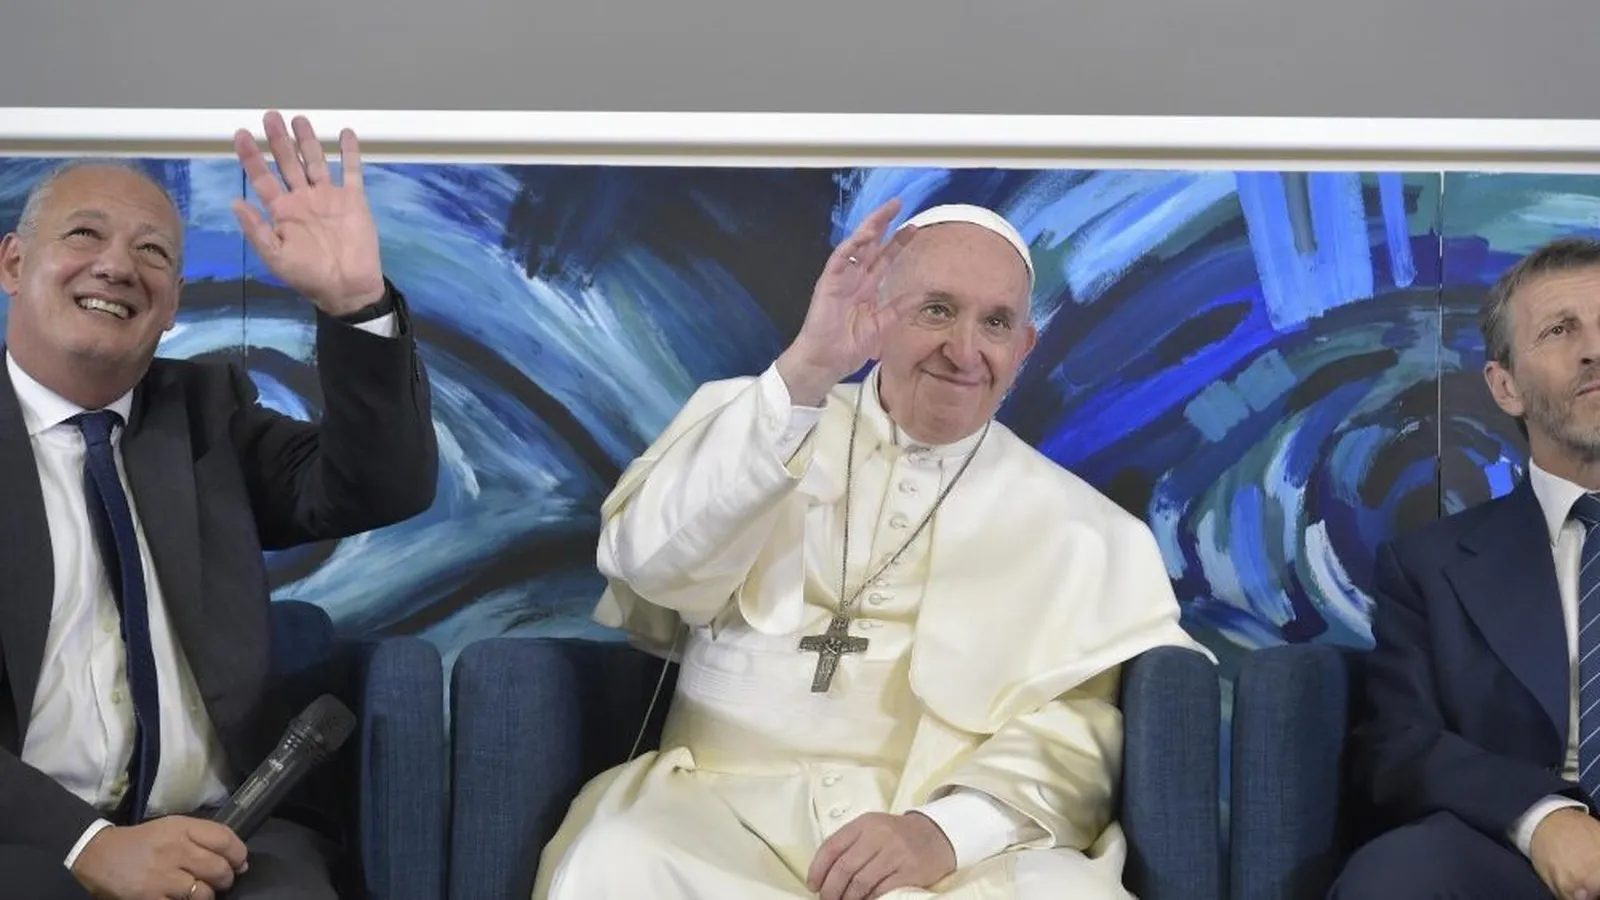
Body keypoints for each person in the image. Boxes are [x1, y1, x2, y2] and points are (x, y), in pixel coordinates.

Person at [533, 199, 1202, 900]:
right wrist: (807, 372)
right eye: (937, 310)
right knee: (618, 862)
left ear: (1025, 347)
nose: (964, 351)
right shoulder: (758, 419)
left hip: (937, 836)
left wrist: (944, 834)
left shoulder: (1083, 531)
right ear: (876, 313)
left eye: (996, 323)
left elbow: (1075, 735)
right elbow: (652, 566)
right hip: (714, 813)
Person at [0, 111, 437, 900]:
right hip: (25, 840)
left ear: (172, 305)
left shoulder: (208, 415)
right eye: (84, 234)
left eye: (153, 252)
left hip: (224, 831)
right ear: (14, 263)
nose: (117, 266)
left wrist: (355, 303)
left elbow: (382, 485)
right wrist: (88, 845)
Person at [1332, 237, 1600, 900]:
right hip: (1521, 863)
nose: (1594, 349)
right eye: (1560, 330)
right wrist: (1542, 818)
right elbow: (1399, 745)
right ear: (1505, 387)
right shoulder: (1428, 567)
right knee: (1398, 876)